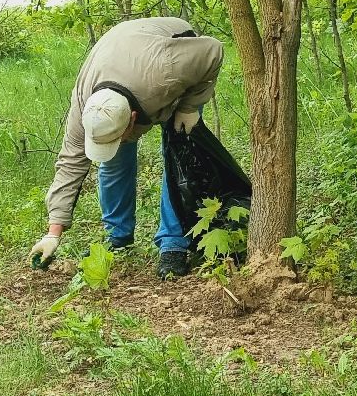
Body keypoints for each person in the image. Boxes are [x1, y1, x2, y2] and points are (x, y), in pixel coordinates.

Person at [30, 16, 224, 279]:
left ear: (132, 119)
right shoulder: (85, 106)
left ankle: (173, 244)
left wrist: (189, 107)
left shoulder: (166, 73)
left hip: (171, 51)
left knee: (177, 157)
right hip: (119, 58)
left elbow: (212, 50)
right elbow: (70, 165)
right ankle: (118, 238)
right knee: (113, 161)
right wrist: (53, 234)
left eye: (118, 135)